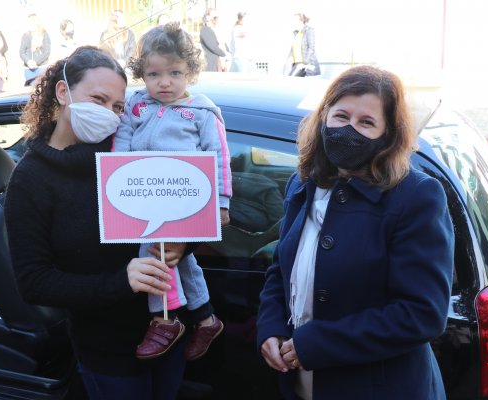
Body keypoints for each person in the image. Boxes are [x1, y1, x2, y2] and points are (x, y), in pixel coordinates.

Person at [256, 65, 454, 399]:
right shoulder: (303, 182)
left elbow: (422, 313)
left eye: (366, 122)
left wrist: (318, 343)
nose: (350, 129)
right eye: (341, 116)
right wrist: (271, 327)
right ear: (323, 118)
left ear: (388, 134)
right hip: (300, 383)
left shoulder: (416, 196)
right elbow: (281, 269)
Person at [5, 45, 190, 400]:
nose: (109, 114)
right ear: (63, 92)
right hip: (108, 351)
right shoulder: (30, 180)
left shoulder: (130, 153)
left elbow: (180, 208)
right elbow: (35, 283)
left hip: (170, 332)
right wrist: (122, 281)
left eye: (118, 106)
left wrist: (183, 244)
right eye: (98, 99)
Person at [116, 22, 231, 361]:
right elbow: (120, 147)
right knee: (182, 258)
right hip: (143, 195)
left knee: (154, 252)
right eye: (153, 74)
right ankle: (206, 318)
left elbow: (219, 157)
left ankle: (164, 318)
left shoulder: (202, 112)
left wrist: (221, 203)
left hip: (186, 198)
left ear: (191, 71)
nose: (164, 82)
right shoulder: (135, 106)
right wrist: (117, 187)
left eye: (174, 72)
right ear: (142, 75)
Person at [19, 13, 51, 86]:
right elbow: (22, 52)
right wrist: (28, 61)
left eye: (30, 22)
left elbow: (47, 52)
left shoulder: (44, 34)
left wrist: (36, 62)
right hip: (29, 70)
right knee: (32, 92)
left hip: (41, 68)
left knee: (42, 90)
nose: (29, 25)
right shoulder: (26, 35)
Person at [286, 12, 320, 77]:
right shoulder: (296, 33)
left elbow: (311, 47)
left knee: (293, 79)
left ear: (301, 20)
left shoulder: (309, 30)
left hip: (304, 64)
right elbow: (293, 49)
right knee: (291, 79)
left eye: (294, 20)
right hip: (295, 63)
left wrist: (305, 62)